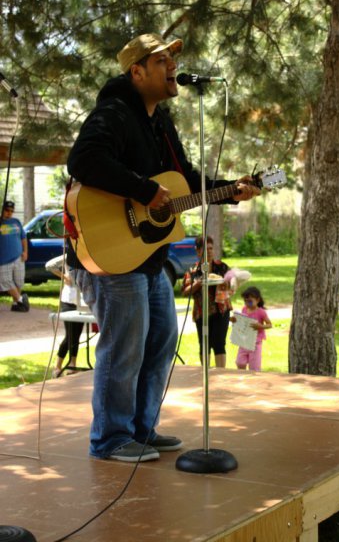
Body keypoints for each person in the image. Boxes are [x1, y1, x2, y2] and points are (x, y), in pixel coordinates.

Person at [66, 32, 260, 463]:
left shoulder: (161, 122)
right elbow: (84, 161)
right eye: (162, 60)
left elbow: (184, 182)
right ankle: (111, 439)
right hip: (110, 250)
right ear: (137, 71)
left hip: (146, 253)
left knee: (161, 338)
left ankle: (140, 428)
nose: (173, 66)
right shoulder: (113, 113)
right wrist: (142, 189)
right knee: (125, 345)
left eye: (173, 58)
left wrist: (231, 190)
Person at [182, 235, 232, 368]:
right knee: (204, 344)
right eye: (205, 249)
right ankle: (206, 374)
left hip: (221, 310)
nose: (209, 251)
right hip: (201, 312)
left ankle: (220, 374)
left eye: (211, 248)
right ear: (198, 251)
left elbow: (232, 285)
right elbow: (185, 291)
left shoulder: (221, 267)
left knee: (219, 343)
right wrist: (199, 283)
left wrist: (228, 284)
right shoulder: (193, 270)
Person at [45, 254, 84, 378]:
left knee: (77, 335)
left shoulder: (86, 255)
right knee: (69, 336)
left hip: (81, 301)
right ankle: (57, 367)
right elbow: (49, 265)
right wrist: (64, 277)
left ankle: (72, 364)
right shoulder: (68, 256)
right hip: (68, 300)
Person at [0, 200, 30, 312]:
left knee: (19, 281)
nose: (9, 213)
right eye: (7, 210)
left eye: (11, 211)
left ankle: (16, 303)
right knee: (4, 281)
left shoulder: (16, 222)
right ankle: (21, 299)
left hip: (19, 256)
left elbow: (23, 238)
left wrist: (25, 251)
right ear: (2, 210)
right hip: (3, 259)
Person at [234, 286, 272, 372]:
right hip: (244, 342)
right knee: (240, 362)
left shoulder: (261, 312)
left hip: (255, 343)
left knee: (254, 367)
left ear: (257, 300)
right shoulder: (244, 309)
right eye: (245, 301)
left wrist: (260, 326)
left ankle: (254, 381)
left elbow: (269, 325)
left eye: (250, 302)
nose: (247, 304)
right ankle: (242, 378)